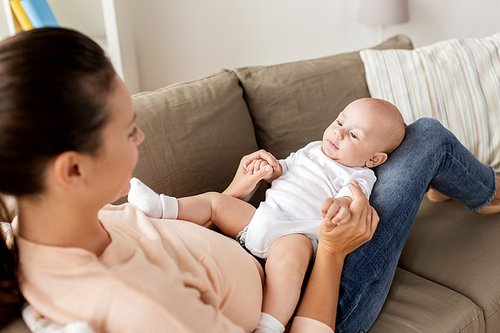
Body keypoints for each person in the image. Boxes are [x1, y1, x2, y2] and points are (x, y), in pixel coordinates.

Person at [0, 28, 497, 333]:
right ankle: (489, 193)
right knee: (427, 136)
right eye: (129, 129)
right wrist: (329, 251)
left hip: (255, 234)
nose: (143, 134)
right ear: (72, 169)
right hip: (312, 296)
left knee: (421, 139)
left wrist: (237, 191)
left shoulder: (35, 224)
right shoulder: (143, 309)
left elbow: (193, 240)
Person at [128, 97, 406, 332]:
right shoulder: (312, 149)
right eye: (339, 122)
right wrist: (270, 170)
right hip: (258, 219)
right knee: (215, 202)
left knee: (287, 270)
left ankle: (269, 324)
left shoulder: (359, 175)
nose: (338, 133)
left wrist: (341, 207)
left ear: (374, 159)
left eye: (354, 135)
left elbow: (350, 199)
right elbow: (286, 166)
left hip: (293, 235)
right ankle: (161, 207)